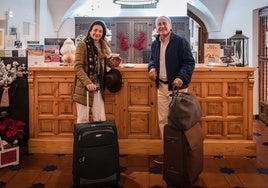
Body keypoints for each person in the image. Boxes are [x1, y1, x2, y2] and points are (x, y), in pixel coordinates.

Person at [148, 16, 196, 164]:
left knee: (178, 122)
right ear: (156, 28)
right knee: (163, 121)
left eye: (164, 23)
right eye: (159, 24)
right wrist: (152, 67)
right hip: (161, 87)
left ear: (170, 26)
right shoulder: (156, 43)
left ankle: (181, 155)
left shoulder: (180, 42)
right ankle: (169, 153)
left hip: (177, 89)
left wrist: (181, 77)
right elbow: (152, 59)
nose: (161, 26)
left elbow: (189, 62)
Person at [73, 20, 122, 123]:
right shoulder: (82, 45)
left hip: (98, 87)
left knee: (100, 118)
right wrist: (88, 83)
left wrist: (113, 63)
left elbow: (103, 66)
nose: (97, 33)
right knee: (83, 119)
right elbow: (78, 67)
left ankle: (98, 139)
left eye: (100, 31)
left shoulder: (103, 46)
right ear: (90, 31)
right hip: (83, 88)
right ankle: (82, 139)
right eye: (95, 30)